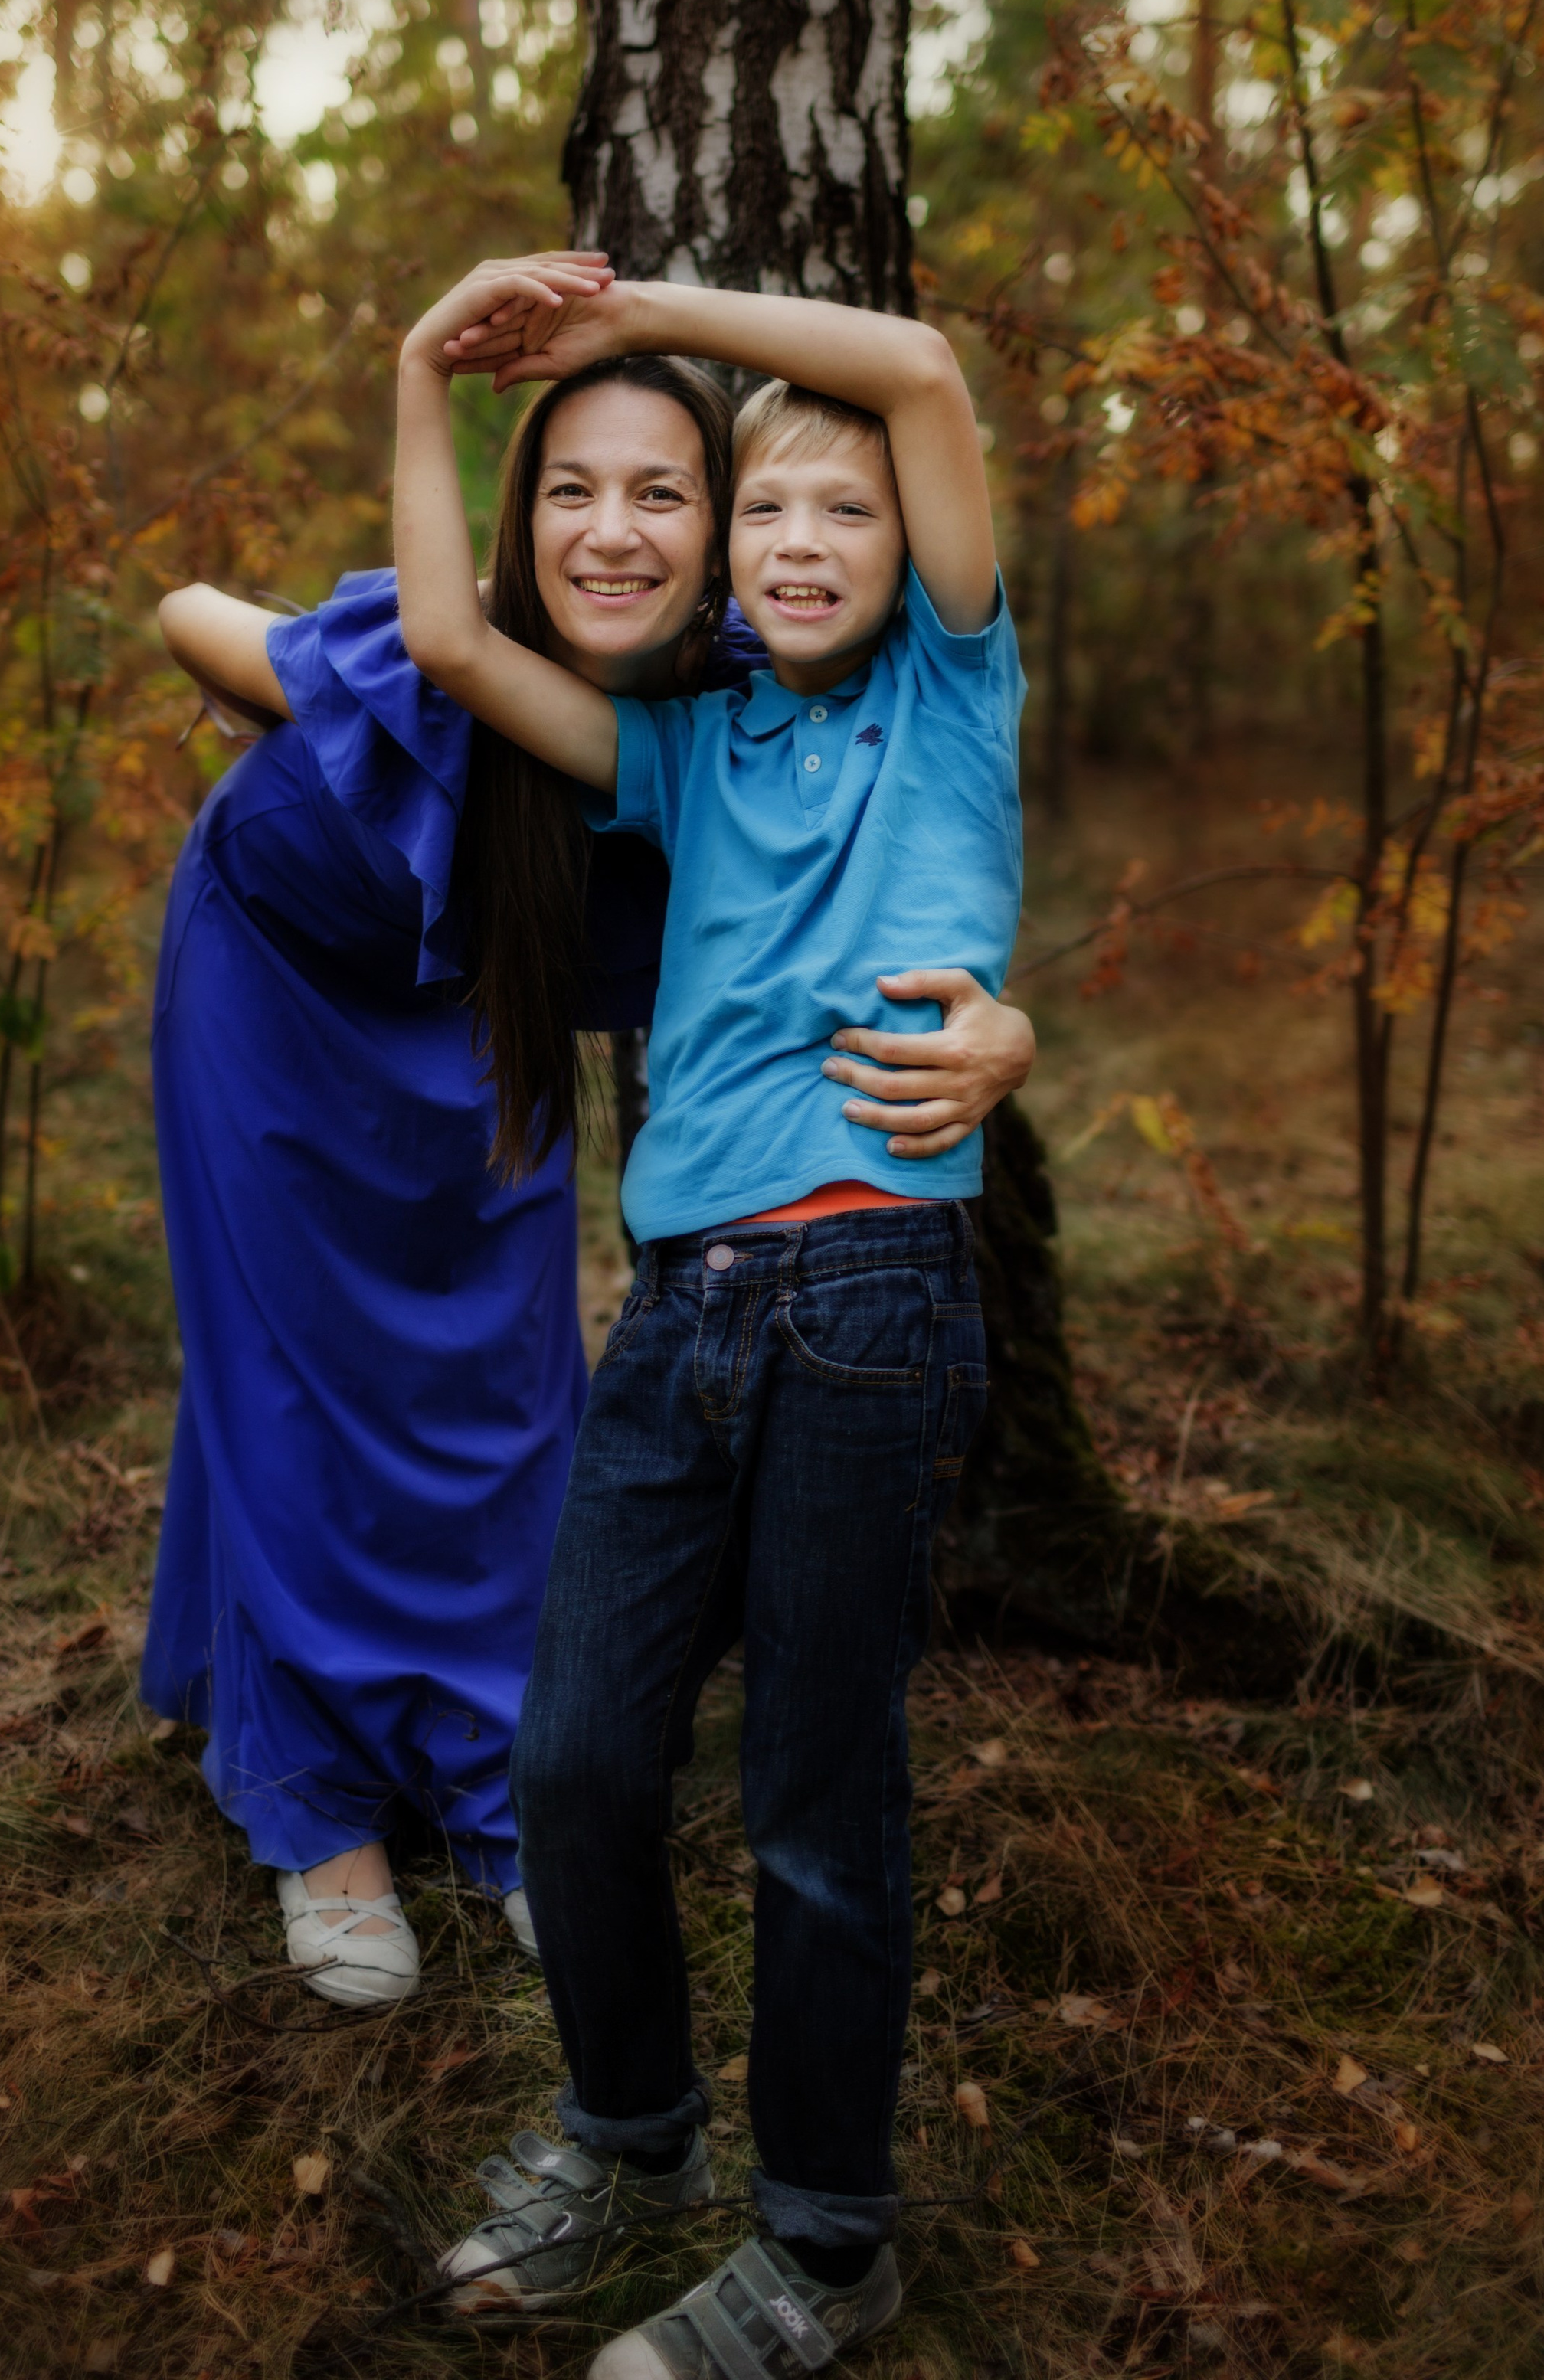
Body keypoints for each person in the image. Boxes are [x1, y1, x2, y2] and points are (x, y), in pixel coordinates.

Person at [140, 254, 1036, 2017]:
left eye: (661, 494)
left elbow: (900, 875)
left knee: (502, 1385)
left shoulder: (736, 711)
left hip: (487, 1029)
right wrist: (413, 375)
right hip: (278, 988)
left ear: (709, 537)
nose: (610, 532)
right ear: (515, 510)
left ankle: (491, 1784)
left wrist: (1001, 1030)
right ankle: (318, 1808)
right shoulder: (459, 646)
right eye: (566, 489)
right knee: (288, 1373)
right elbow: (203, 615)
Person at [395, 263, 1023, 2378]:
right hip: (678, 1310)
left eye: (851, 512)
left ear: (910, 547)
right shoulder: (686, 747)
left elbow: (919, 373)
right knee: (571, 1755)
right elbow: (448, 639)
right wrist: (426, 372)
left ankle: (830, 2242)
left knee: (812, 1803)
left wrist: (632, 299)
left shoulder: (953, 693)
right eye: (773, 518)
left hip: (869, 1292)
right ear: (727, 563)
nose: (814, 544)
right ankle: (632, 2136)